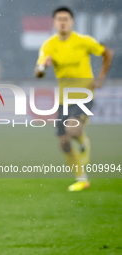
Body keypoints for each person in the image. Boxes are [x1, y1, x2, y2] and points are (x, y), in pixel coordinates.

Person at [35, 6, 113, 191]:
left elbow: (107, 53)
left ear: (72, 22)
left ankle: (84, 141)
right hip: (64, 100)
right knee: (63, 142)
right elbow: (38, 72)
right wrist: (43, 67)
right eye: (59, 19)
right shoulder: (49, 45)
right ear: (54, 23)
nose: (63, 22)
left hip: (84, 96)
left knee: (72, 129)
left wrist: (101, 76)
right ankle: (82, 179)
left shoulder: (83, 41)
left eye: (66, 19)